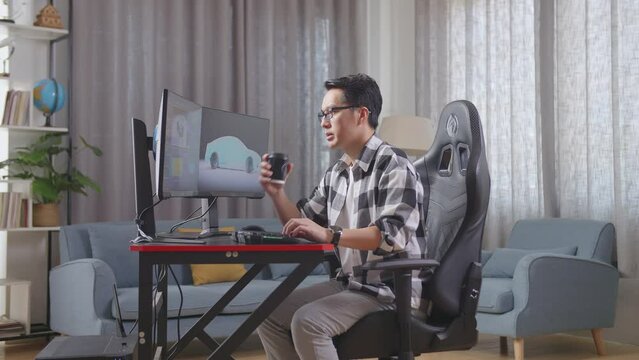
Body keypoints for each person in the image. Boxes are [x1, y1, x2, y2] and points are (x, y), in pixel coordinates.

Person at [257, 73, 426, 360]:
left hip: (388, 289)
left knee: (308, 321)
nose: (324, 122)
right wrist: (276, 193)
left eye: (331, 112)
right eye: (321, 114)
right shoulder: (338, 172)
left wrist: (330, 234)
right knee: (268, 314)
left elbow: (389, 236)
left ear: (361, 114)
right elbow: (303, 222)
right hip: (351, 282)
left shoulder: (394, 165)